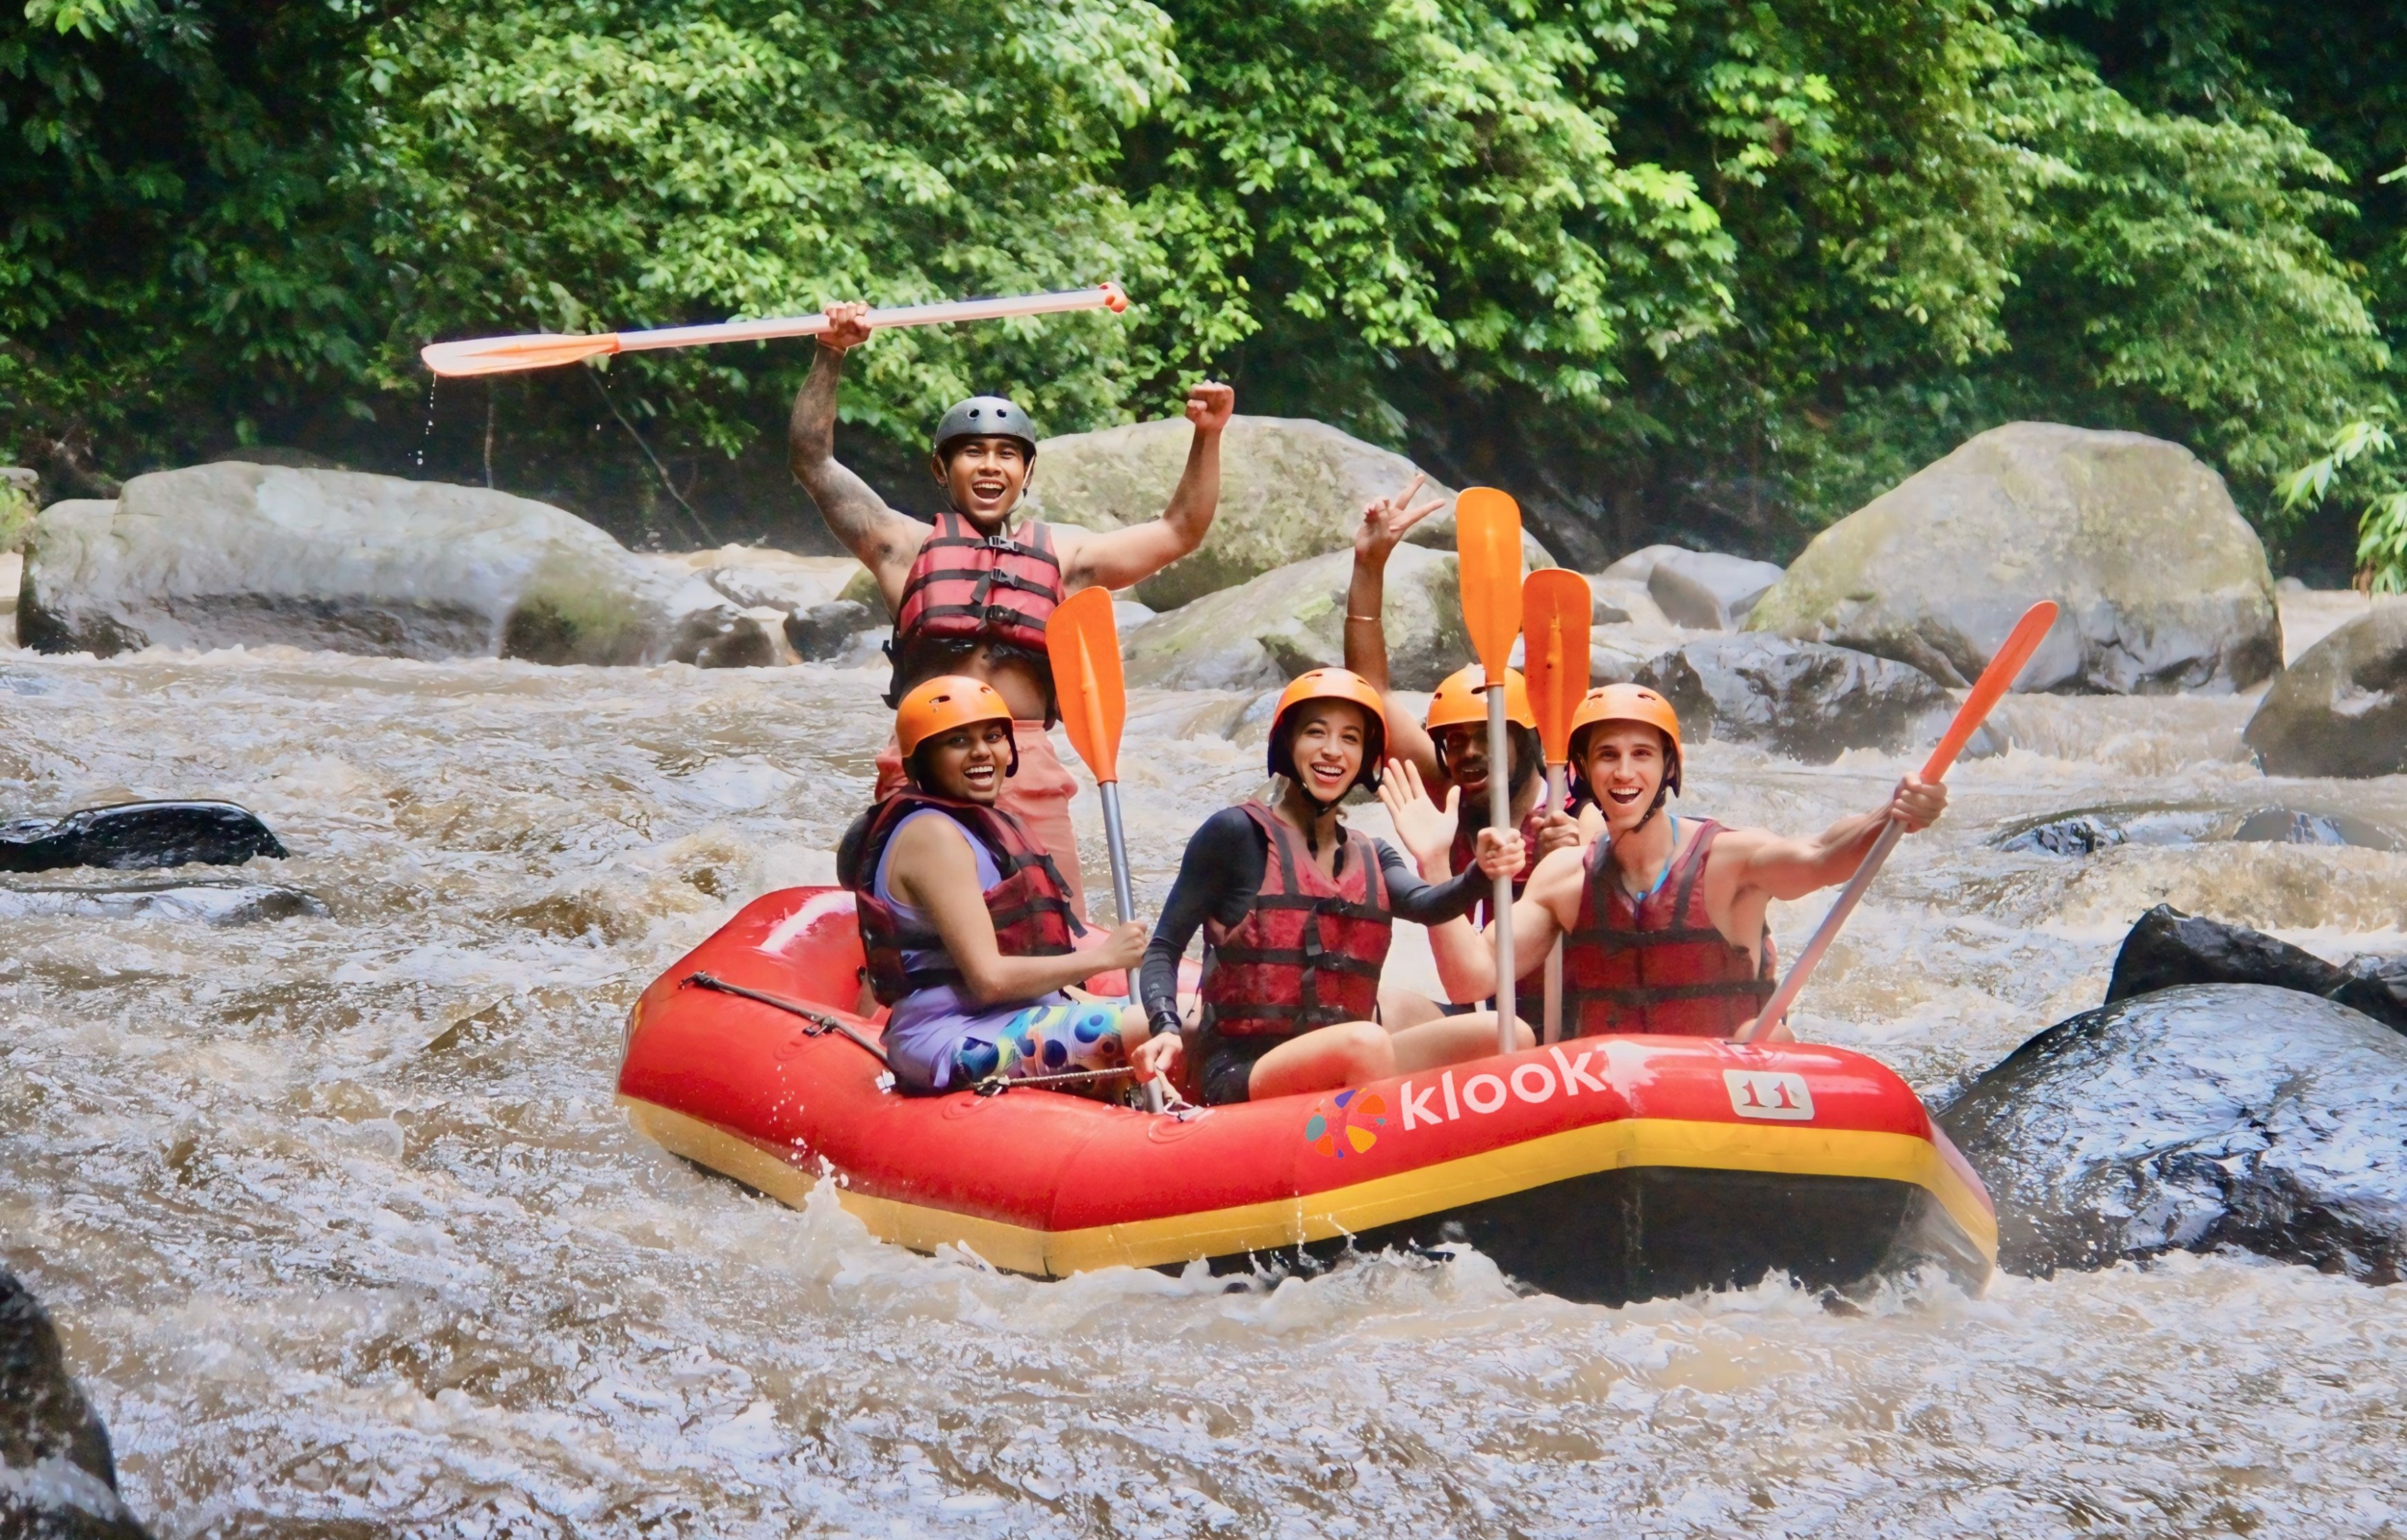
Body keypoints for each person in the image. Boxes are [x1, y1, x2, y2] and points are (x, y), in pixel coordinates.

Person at [791, 300, 1238, 917]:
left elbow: (1181, 529)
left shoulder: (1068, 557)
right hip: (924, 753)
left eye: (1006, 453)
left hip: (1023, 757)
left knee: (1058, 925)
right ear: (942, 469)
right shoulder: (901, 546)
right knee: (914, 930)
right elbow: (813, 461)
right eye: (972, 452)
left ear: (1026, 471)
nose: (990, 465)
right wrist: (830, 352)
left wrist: (1207, 436)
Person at [1415, 683, 1948, 1040]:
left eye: (1641, 754)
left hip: (1726, 1100)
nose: (1624, 772)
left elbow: (1823, 856)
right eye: (1607, 755)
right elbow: (1471, 981)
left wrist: (1889, 815)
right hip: (1619, 1109)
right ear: (1582, 770)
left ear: (1669, 766)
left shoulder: (1729, 859)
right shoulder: (1565, 878)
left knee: (1766, 1037)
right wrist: (1437, 864)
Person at [1137, 668, 1531, 1105]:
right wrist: (1165, 1025)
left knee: (1503, 1032)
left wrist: (1482, 869)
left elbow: (1429, 904)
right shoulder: (1234, 834)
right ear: (1287, 744)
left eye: (1350, 738)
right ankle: (1388, 1160)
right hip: (1244, 1069)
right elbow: (1163, 948)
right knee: (1365, 1042)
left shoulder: (1373, 853)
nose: (1332, 750)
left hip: (1347, 1056)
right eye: (1316, 732)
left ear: (1365, 758)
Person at [842, 676, 1178, 1095]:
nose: (982, 750)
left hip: (1017, 1013)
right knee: (1150, 1025)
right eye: (958, 740)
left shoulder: (990, 825)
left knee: (1185, 1016)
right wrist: (1105, 958)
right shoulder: (932, 836)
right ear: (923, 760)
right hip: (951, 1036)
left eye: (993, 736)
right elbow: (990, 979)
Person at [1341, 474, 1581, 1019]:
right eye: (1453, 740)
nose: (1467, 752)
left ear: (1526, 739)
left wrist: (1581, 856)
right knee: (1359, 1008)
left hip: (1571, 1038)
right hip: (1487, 1024)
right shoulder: (1451, 794)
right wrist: (1369, 566)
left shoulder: (1578, 811)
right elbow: (1370, 695)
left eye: (1486, 736)